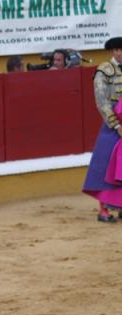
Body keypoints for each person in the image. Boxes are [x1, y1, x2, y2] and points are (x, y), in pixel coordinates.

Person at [82, 37, 122, 222]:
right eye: (116, 50)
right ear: (112, 52)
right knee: (105, 167)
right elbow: (101, 101)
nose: (120, 53)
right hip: (112, 126)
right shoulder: (104, 71)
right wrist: (116, 124)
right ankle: (103, 210)